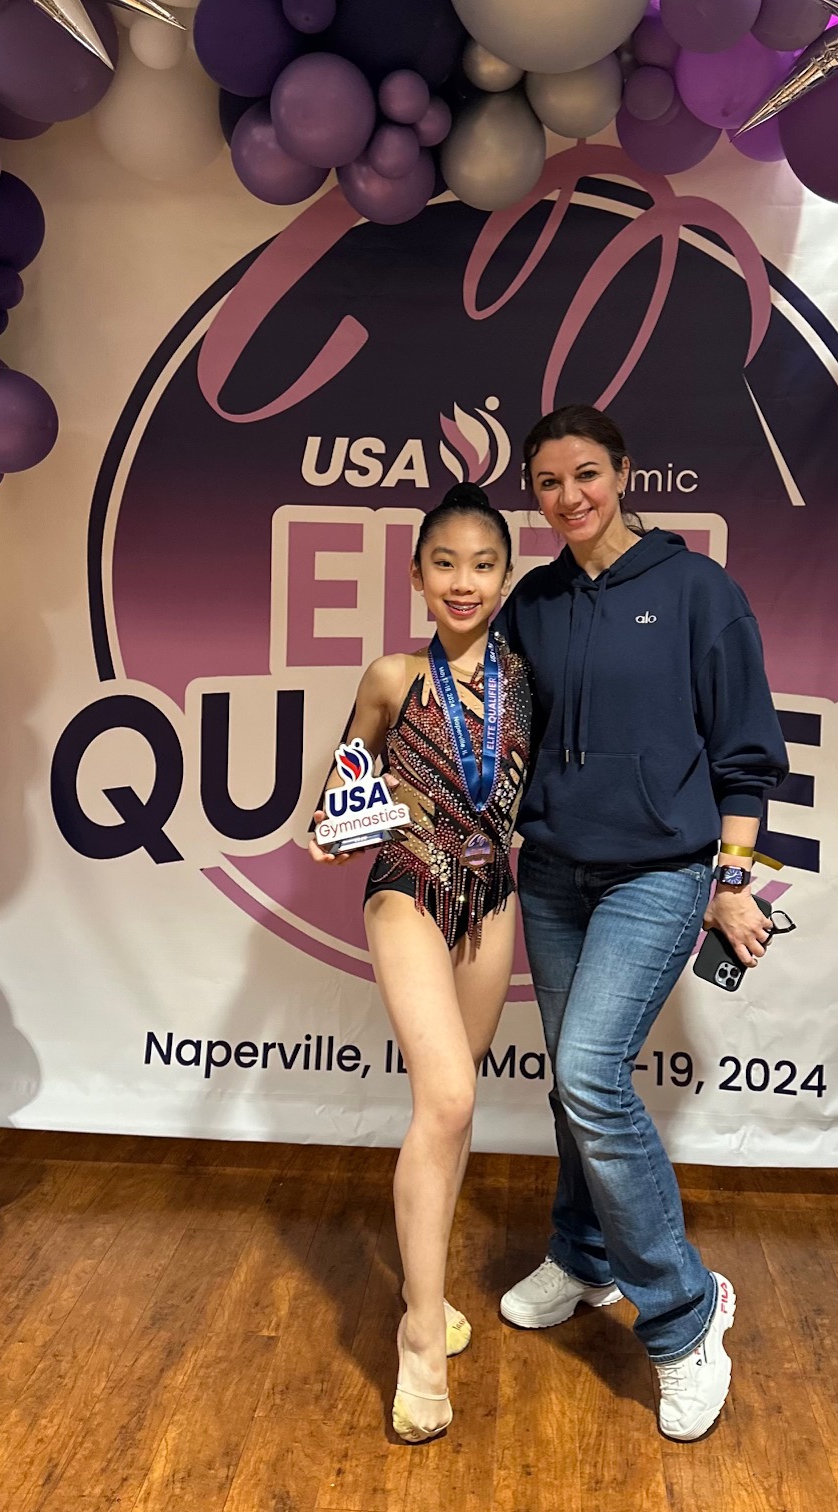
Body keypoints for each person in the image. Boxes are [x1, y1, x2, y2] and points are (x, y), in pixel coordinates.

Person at [495, 404, 788, 1443]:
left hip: (659, 873)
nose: (567, 496)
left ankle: (682, 1315)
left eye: (585, 474)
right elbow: (493, 732)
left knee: (588, 1076)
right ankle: (583, 1256)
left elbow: (744, 754)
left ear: (623, 473)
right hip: (551, 874)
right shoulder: (531, 603)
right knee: (573, 1084)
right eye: (546, 482)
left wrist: (732, 882)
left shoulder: (697, 590)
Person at [309, 483, 531, 1444]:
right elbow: (344, 783)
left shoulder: (529, 679)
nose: (463, 581)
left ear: (506, 576)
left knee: (453, 1107)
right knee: (445, 1097)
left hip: (494, 895)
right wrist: (334, 823)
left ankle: (425, 1287)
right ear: (415, 575)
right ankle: (419, 1338)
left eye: (482, 564)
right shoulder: (391, 675)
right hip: (408, 881)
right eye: (445, 563)